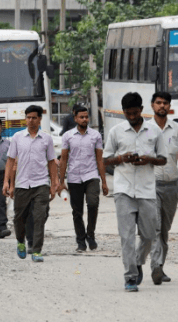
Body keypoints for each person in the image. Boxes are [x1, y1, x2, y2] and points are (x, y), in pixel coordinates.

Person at [103, 92, 167, 292]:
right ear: (123, 112)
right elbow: (105, 159)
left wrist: (149, 159)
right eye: (128, 113)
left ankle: (139, 261)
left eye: (135, 112)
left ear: (141, 110)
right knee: (127, 236)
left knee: (149, 235)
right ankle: (130, 277)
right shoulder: (116, 131)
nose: (131, 116)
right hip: (123, 190)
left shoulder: (154, 131)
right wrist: (122, 158)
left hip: (147, 190)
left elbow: (163, 159)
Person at [4, 105, 58, 262]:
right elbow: (10, 160)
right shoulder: (17, 137)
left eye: (34, 117)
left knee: (39, 217)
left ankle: (36, 250)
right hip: (22, 184)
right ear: (25, 119)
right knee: (19, 218)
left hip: (41, 183)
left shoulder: (46, 138)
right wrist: (7, 183)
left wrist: (54, 183)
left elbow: (51, 162)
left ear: (40, 119)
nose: (31, 120)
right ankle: (21, 241)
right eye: (28, 117)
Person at [149, 91, 178, 284]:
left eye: (165, 103)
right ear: (152, 106)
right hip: (150, 186)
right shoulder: (145, 129)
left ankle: (160, 265)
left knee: (165, 230)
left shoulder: (177, 129)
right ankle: (156, 267)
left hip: (171, 186)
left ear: (169, 106)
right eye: (158, 103)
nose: (162, 106)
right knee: (156, 228)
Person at [57, 106, 108, 253]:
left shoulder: (95, 135)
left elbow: (99, 159)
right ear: (75, 119)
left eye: (86, 117)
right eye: (82, 117)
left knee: (93, 204)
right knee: (77, 211)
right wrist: (61, 181)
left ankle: (90, 235)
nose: (85, 119)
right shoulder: (67, 136)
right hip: (74, 177)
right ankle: (81, 241)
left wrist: (103, 181)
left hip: (91, 175)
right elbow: (64, 159)